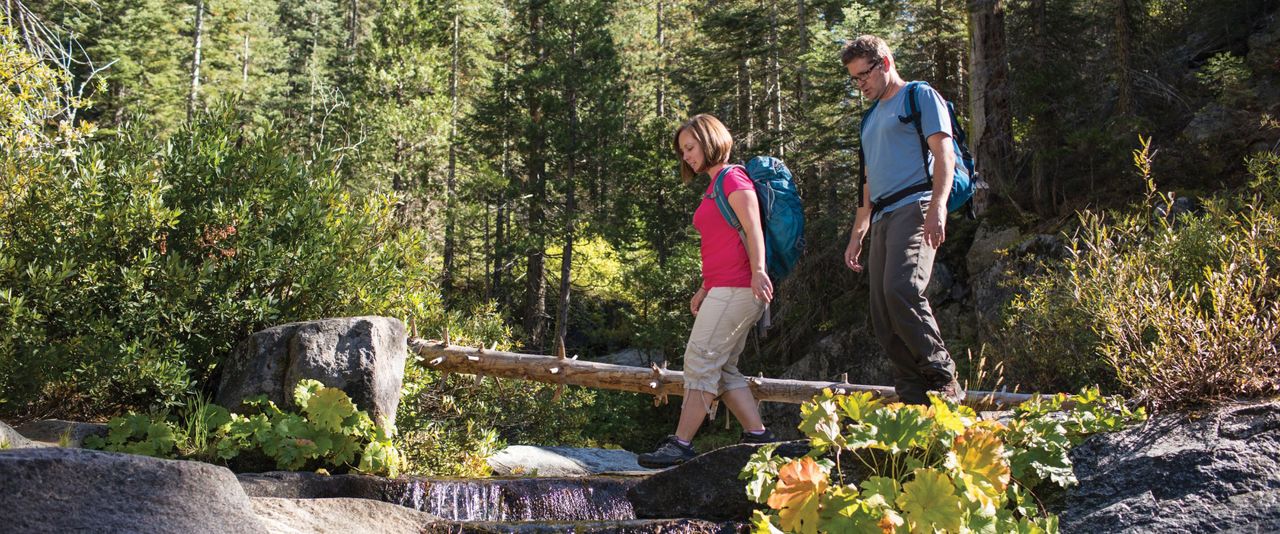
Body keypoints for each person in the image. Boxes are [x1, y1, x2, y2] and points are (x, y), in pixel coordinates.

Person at [637, 114, 779, 468]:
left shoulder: (733, 177)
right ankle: (758, 436)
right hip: (723, 286)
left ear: (710, 141)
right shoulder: (715, 185)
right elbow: (721, 242)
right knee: (724, 367)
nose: (686, 156)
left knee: (699, 361)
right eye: (682, 151)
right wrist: (704, 287)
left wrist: (759, 271)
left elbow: (753, 228)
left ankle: (681, 443)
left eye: (690, 148)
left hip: (739, 287)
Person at [840, 35, 966, 405]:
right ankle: (913, 395)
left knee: (902, 288)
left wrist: (937, 207)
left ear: (886, 63)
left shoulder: (919, 96)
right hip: (881, 216)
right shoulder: (868, 121)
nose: (860, 84)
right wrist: (856, 235)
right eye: (854, 79)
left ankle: (942, 376)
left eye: (864, 75)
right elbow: (866, 182)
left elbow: (944, 153)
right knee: (881, 310)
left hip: (916, 204)